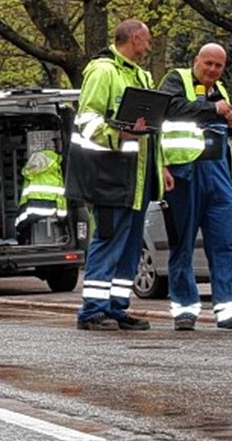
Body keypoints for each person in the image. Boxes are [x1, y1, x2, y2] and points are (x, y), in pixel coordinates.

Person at [66, 19, 170, 331]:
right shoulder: (103, 71)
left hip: (135, 180)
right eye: (146, 40)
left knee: (128, 247)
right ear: (135, 38)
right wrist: (119, 135)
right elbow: (87, 119)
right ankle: (93, 311)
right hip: (109, 176)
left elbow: (151, 131)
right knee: (108, 241)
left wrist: (159, 167)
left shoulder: (139, 74)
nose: (149, 46)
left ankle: (116, 307)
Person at [158, 43, 232, 331]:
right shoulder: (176, 79)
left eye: (218, 66)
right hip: (184, 175)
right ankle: (185, 310)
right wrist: (213, 109)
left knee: (226, 242)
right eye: (208, 63)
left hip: (219, 176)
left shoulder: (220, 91)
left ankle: (230, 309)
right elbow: (169, 107)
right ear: (195, 60)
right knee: (182, 243)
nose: (212, 70)